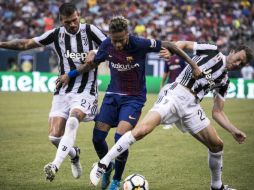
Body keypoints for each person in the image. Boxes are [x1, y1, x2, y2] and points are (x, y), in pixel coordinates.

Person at [59, 16, 201, 190]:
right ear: (110, 36)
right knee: (97, 138)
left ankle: (117, 180)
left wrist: (193, 65)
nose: (117, 44)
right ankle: (108, 167)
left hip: (134, 98)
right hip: (112, 96)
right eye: (114, 40)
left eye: (121, 40)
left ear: (128, 34)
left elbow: (170, 45)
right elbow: (90, 64)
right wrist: (70, 75)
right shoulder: (106, 45)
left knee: (120, 139)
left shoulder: (140, 44)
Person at [89, 41, 253, 190]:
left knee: (217, 145)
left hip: (192, 106)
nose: (238, 64)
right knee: (142, 130)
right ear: (232, 51)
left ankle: (217, 187)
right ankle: (103, 164)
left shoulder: (225, 81)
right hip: (176, 93)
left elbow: (217, 112)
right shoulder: (213, 51)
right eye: (238, 58)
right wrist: (172, 52)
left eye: (242, 63)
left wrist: (233, 130)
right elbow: (184, 44)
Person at [0, 2, 106, 182]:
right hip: (63, 90)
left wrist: (95, 51)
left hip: (86, 90)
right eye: (67, 22)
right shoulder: (56, 35)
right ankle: (74, 154)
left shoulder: (90, 31)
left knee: (73, 120)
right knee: (54, 137)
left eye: (74, 20)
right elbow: (25, 44)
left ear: (79, 15)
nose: (72, 24)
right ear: (61, 21)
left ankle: (54, 165)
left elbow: (110, 46)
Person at [160, 55, 186, 129]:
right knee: (168, 103)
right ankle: (169, 123)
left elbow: (185, 71)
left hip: (180, 85)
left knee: (180, 105)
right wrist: (161, 84)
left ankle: (182, 122)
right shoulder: (167, 59)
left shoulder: (181, 58)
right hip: (170, 85)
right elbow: (165, 72)